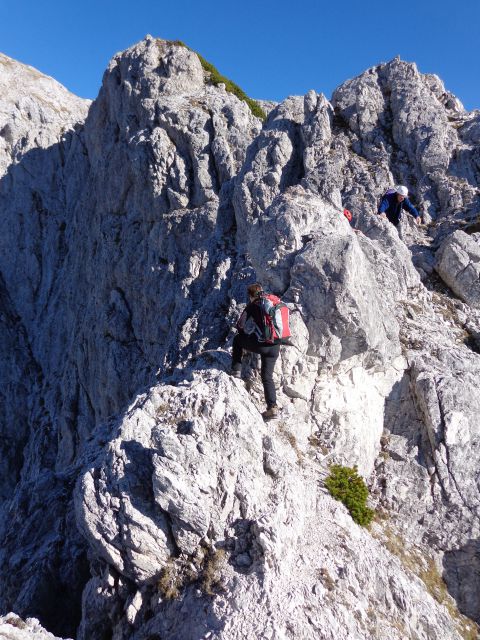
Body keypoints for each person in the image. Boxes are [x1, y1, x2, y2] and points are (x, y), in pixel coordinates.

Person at [231, 283, 280, 420]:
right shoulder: (273, 303)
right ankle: (272, 407)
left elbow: (240, 324)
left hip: (262, 346)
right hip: (275, 347)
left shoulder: (253, 305)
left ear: (251, 296)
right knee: (267, 377)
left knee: (237, 340)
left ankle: (236, 371)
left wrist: (243, 336)